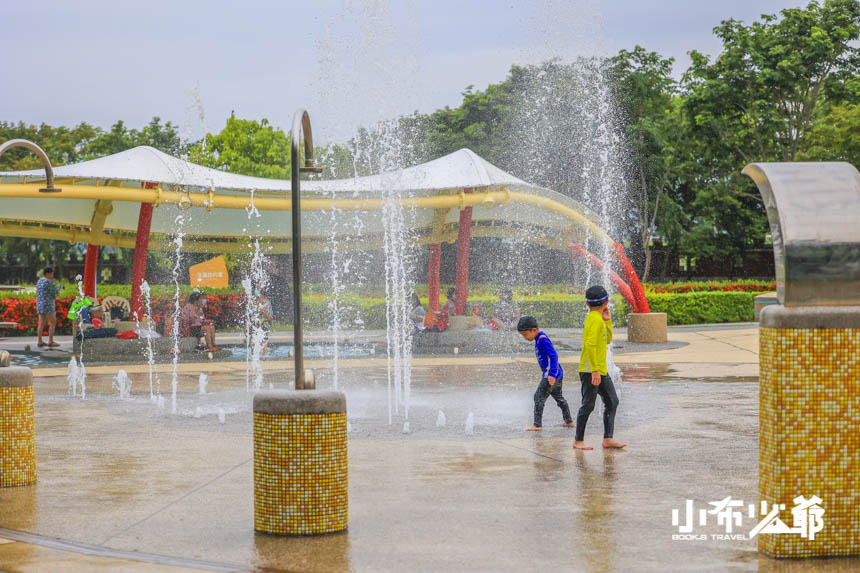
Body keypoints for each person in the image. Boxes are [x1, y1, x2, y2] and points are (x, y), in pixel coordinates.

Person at [574, 285, 626, 450]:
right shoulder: (593, 320)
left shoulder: (598, 319)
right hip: (592, 370)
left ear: (587, 304)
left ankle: (608, 439)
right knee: (588, 405)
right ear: (607, 301)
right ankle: (578, 441)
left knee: (612, 401)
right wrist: (595, 370)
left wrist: (608, 321)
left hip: (600, 369)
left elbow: (607, 340)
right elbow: (589, 345)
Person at [517, 316, 573, 431]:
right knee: (559, 398)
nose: (525, 337)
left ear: (533, 330)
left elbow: (553, 355)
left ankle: (537, 425)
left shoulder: (542, 339)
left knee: (538, 397)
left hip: (551, 375)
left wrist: (551, 374)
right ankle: (569, 421)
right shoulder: (539, 338)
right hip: (557, 373)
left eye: (525, 334)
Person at [36, 267, 61, 347]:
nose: (53, 275)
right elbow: (55, 293)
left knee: (41, 323)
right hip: (48, 305)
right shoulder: (49, 282)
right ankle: (51, 341)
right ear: (48, 274)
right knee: (53, 323)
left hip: (40, 305)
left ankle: (39, 341)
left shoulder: (39, 281)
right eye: (52, 273)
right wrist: (60, 288)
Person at [256, 290, 273, 356]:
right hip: (255, 323)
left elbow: (269, 316)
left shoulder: (267, 303)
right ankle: (254, 356)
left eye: (259, 296)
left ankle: (264, 355)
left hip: (264, 323)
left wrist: (261, 311)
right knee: (253, 340)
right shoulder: (255, 303)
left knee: (264, 341)